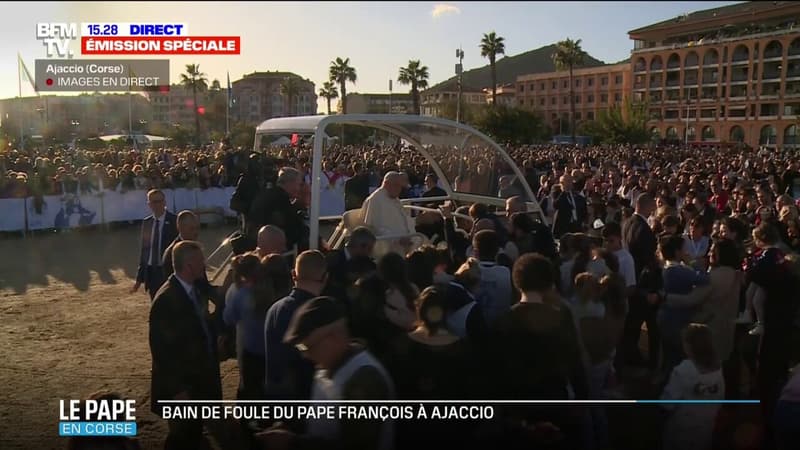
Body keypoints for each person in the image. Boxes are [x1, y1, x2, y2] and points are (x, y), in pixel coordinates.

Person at [257, 296, 395, 450]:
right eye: (301, 348)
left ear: (333, 338)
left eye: (307, 347)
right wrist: (292, 426)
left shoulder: (365, 381)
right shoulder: (327, 366)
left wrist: (293, 443)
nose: (305, 355)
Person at [148, 241, 223, 450]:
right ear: (188, 266)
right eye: (200, 260)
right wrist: (178, 390)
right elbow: (162, 352)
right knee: (182, 438)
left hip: (197, 380)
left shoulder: (195, 286)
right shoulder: (166, 300)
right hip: (181, 389)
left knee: (195, 432)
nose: (205, 264)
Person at [263, 250, 328, 402]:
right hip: (306, 398)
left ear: (294, 274)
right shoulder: (320, 313)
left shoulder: (274, 309)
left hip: (277, 396)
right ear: (325, 278)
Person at [660, 324, 724, 450]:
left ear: (689, 346)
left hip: (681, 433)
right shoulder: (718, 368)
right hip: (705, 432)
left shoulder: (683, 370)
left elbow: (667, 403)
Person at [620, 192, 659, 368]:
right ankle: (644, 361)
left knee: (632, 323)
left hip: (630, 279)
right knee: (643, 324)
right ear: (648, 206)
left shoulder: (627, 222)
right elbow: (648, 260)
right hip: (642, 283)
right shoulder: (644, 230)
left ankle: (630, 355)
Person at [132, 189, 178, 301]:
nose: (157, 205)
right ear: (149, 204)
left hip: (168, 271)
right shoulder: (147, 222)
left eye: (159, 201)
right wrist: (139, 279)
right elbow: (145, 251)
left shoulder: (174, 221)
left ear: (165, 202)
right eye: (153, 202)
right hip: (151, 272)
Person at [247, 167, 305, 251]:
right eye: (299, 184)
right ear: (290, 183)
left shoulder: (266, 194)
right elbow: (291, 228)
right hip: (272, 248)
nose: (299, 189)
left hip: (256, 242)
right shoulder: (281, 200)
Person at [471, 229, 512, 325]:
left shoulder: (468, 273)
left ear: (475, 252)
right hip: (502, 327)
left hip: (477, 327)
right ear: (498, 251)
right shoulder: (506, 272)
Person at [361, 171, 415, 243]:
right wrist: (398, 239)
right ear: (386, 184)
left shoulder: (395, 199)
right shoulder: (375, 200)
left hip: (406, 241)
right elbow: (374, 228)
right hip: (389, 245)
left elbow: (405, 221)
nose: (399, 189)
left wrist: (418, 220)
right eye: (396, 185)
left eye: (400, 186)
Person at [162, 210, 200, 279]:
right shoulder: (171, 254)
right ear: (180, 228)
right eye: (192, 229)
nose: (196, 232)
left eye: (197, 228)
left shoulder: (195, 248)